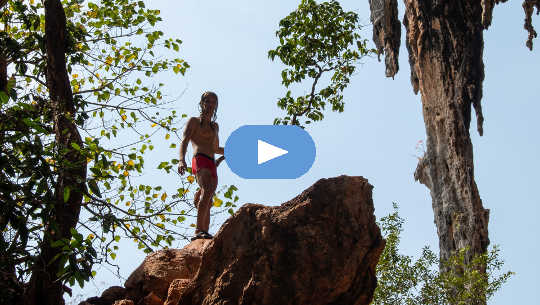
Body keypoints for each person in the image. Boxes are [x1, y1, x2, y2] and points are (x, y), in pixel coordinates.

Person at [177, 91, 224, 241]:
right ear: (202, 103)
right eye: (207, 101)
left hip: (212, 163)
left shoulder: (215, 126)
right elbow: (184, 140)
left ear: (216, 105)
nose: (210, 105)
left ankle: (205, 232)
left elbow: (216, 149)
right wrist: (181, 160)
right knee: (208, 189)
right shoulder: (194, 121)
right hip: (199, 159)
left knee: (209, 197)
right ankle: (198, 230)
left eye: (213, 102)